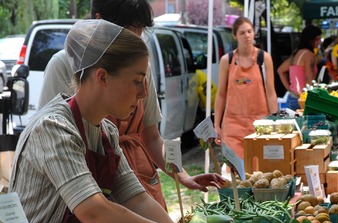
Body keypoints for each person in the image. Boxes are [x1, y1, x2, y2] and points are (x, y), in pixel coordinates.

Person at [5, 19, 197, 223]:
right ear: (103, 77)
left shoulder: (106, 132)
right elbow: (95, 212)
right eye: (137, 81)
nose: (144, 94)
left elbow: (136, 199)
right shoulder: (52, 128)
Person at [38, 0, 224, 210]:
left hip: (139, 178)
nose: (137, 38)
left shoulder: (139, 64)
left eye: (140, 30)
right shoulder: (64, 64)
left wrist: (183, 176)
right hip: (89, 184)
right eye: (129, 30)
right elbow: (48, 140)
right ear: (100, 21)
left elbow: (152, 137)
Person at [213, 16, 278, 159]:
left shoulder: (264, 58)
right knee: (235, 171)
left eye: (249, 31)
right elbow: (221, 94)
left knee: (259, 171)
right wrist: (217, 125)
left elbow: (271, 93)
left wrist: (275, 121)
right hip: (232, 125)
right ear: (235, 36)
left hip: (260, 124)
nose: (247, 36)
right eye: (242, 33)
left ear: (254, 33)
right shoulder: (226, 60)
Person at [277, 24, 322, 111]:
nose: (319, 42)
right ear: (311, 39)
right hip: (304, 101)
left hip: (292, 98)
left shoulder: (297, 53)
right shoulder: (309, 55)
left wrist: (290, 90)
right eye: (317, 39)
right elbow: (309, 79)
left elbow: (280, 70)